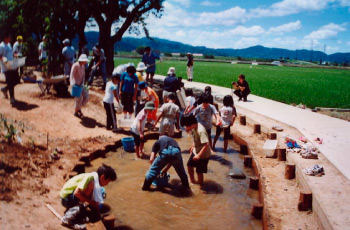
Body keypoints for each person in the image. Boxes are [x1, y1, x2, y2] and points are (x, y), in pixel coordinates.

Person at [59, 164, 117, 229]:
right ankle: (67, 219)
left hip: (69, 197)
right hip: (65, 199)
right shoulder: (90, 180)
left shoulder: (94, 177)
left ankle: (78, 210)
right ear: (102, 177)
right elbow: (76, 193)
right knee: (90, 190)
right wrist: (91, 202)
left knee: (91, 198)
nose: (107, 184)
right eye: (107, 181)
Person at [180, 114, 211, 189]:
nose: (186, 128)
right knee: (189, 165)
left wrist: (199, 155)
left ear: (190, 124)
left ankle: (201, 186)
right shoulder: (194, 127)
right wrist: (193, 146)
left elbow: (206, 144)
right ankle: (192, 181)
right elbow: (195, 138)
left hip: (203, 154)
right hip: (196, 151)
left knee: (199, 171)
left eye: (187, 126)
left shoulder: (201, 130)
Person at [0, 32, 20, 105]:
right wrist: (5, 61)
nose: (10, 38)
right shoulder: (1, 46)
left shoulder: (8, 45)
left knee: (17, 80)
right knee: (10, 82)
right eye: (9, 37)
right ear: (5, 38)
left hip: (12, 65)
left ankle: (5, 89)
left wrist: (15, 55)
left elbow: (11, 54)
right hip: (6, 67)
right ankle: (12, 98)